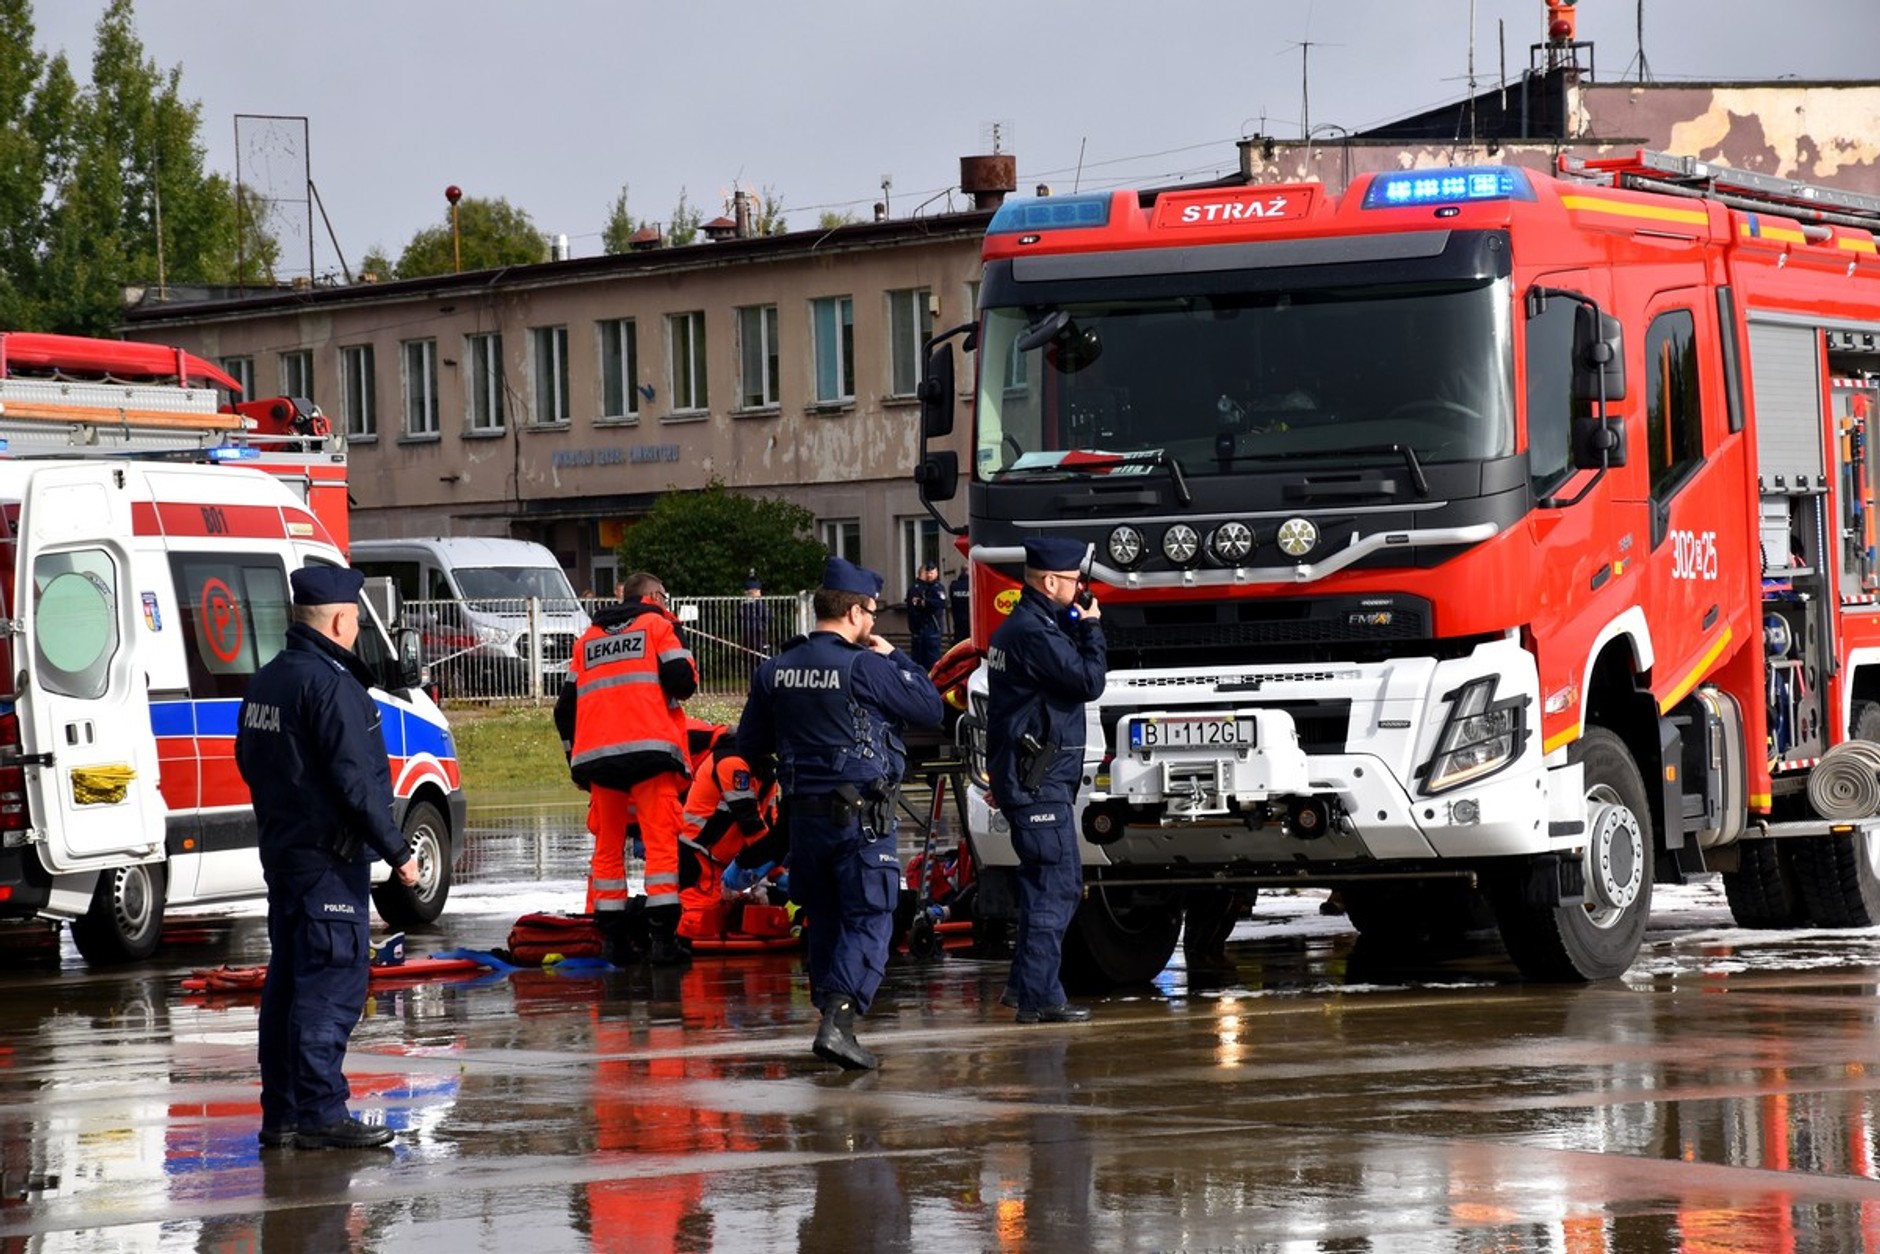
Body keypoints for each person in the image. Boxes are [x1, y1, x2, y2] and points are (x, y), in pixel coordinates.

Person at [235, 564, 420, 1151]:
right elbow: (356, 782)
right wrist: (398, 851)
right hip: (327, 863)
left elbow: (251, 764)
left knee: (287, 988)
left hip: (287, 857)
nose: (358, 627)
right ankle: (320, 1112)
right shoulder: (331, 685)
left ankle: (285, 1114)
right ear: (341, 619)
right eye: (358, 619)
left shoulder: (267, 681)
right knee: (331, 986)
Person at [738, 557, 944, 1069]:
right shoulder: (867, 666)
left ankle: (830, 1017)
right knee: (870, 915)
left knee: (825, 917)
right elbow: (931, 709)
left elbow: (750, 743)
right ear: (854, 612)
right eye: (871, 613)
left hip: (803, 819)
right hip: (860, 820)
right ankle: (839, 1019)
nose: (873, 622)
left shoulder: (776, 668)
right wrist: (897, 655)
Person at [986, 535, 1107, 1024]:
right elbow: (1087, 681)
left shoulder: (1023, 626)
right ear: (1050, 580)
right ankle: (1043, 998)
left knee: (1049, 882)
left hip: (1031, 776)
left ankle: (1023, 989)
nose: (1080, 589)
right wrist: (1093, 630)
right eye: (1074, 580)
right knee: (1053, 888)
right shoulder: (1034, 634)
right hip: (1039, 780)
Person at [555, 571, 699, 965]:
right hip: (649, 752)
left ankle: (613, 941)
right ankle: (663, 942)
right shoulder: (658, 626)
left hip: (599, 759)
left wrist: (576, 759)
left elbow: (564, 708)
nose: (668, 603)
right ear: (653, 596)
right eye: (665, 596)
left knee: (607, 848)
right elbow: (682, 681)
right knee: (660, 845)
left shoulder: (587, 641)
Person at [904, 560, 947, 671]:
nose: (929, 575)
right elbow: (914, 606)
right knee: (921, 661)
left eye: (931, 572)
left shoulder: (936, 587)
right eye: (927, 572)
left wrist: (924, 602)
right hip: (922, 629)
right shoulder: (920, 588)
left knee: (930, 661)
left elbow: (941, 603)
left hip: (931, 628)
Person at [737, 575, 772, 679]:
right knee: (754, 664)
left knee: (761, 663)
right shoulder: (745, 606)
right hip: (753, 638)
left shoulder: (756, 605)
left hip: (758, 637)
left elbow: (768, 617)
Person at [947, 567, 971, 647]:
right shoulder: (973, 585)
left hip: (958, 622)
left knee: (958, 646)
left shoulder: (954, 585)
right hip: (971, 623)